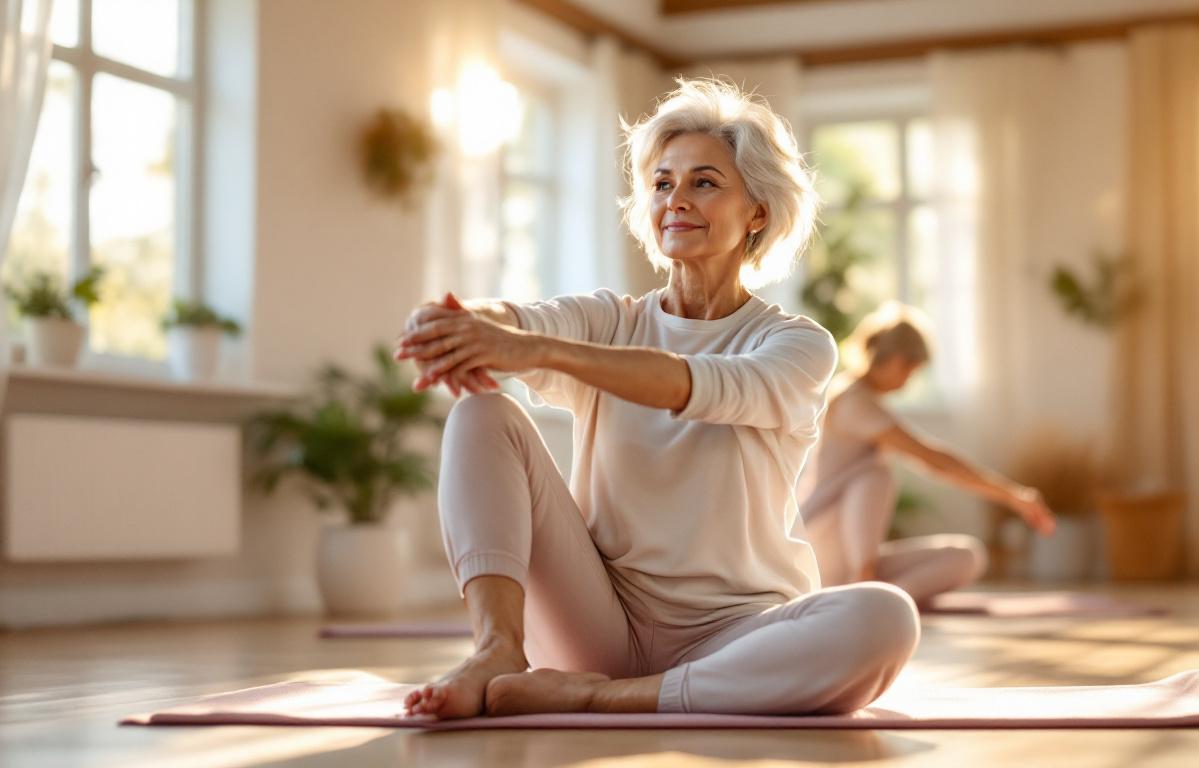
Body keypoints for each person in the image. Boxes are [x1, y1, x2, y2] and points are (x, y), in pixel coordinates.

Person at [394, 79, 919, 719]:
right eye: (662, 183)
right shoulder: (609, 319)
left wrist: (535, 351)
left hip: (736, 632)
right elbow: (510, 317)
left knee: (885, 617)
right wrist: (449, 322)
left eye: (704, 182)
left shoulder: (796, 345)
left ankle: (604, 696)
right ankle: (497, 649)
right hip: (599, 617)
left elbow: (696, 385)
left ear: (757, 210)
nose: (676, 200)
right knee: (482, 413)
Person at [798, 303, 1056, 604]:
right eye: (911, 370)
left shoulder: (857, 397)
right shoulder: (855, 402)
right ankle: (862, 592)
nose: (909, 381)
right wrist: (1013, 495)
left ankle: (869, 597)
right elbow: (933, 459)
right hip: (824, 545)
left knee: (967, 556)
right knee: (874, 475)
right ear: (896, 361)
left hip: (839, 554)